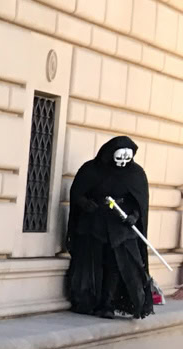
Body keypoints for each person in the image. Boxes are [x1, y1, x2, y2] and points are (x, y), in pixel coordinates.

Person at [66, 134, 156, 319]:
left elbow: (139, 202)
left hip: (120, 229)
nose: (123, 163)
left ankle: (108, 304)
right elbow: (77, 193)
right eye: (119, 157)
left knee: (116, 266)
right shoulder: (92, 170)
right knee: (93, 263)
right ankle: (90, 301)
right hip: (94, 225)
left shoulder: (135, 174)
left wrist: (134, 216)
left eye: (127, 158)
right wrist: (86, 204)